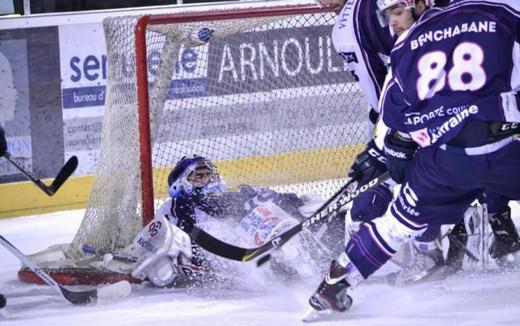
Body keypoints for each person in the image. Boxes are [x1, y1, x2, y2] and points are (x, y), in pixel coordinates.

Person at [304, 0, 520, 319]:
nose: (393, 22)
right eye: (389, 14)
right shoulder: (500, 12)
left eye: (398, 12)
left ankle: (333, 285)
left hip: (445, 160)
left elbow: (394, 123)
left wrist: (389, 155)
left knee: (395, 224)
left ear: (420, 5)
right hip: (501, 149)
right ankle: (495, 221)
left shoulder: (404, 46)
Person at [96, 155, 330, 287]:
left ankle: (317, 241)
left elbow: (250, 201)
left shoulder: (223, 196)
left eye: (207, 175)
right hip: (214, 259)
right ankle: (281, 265)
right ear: (181, 183)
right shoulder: (177, 205)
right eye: (198, 177)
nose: (205, 180)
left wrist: (292, 200)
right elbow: (168, 235)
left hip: (246, 247)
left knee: (266, 204)